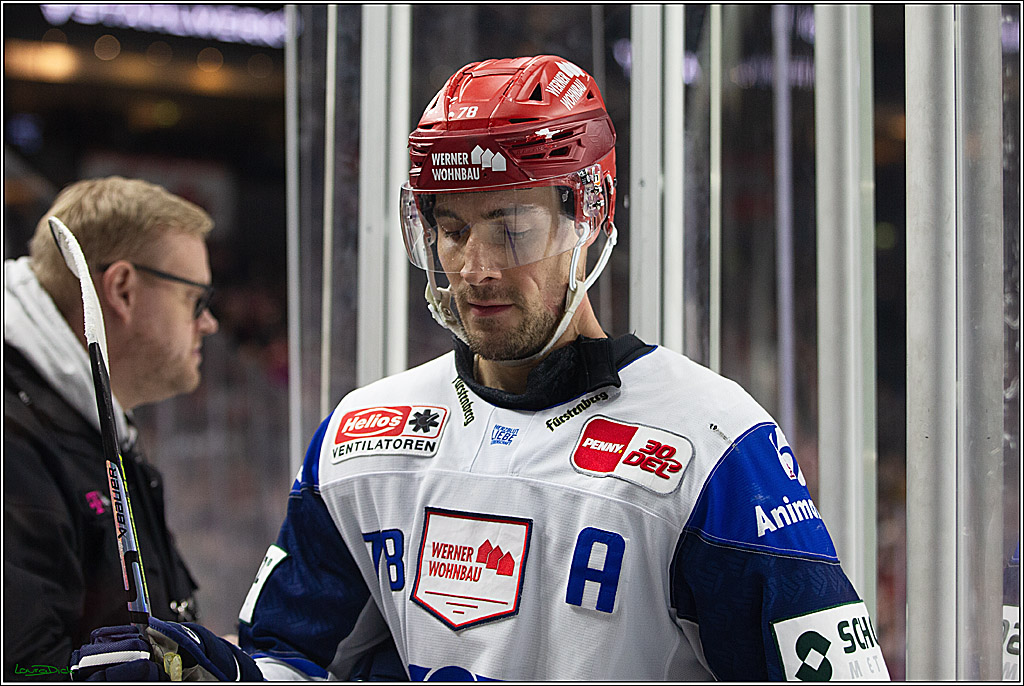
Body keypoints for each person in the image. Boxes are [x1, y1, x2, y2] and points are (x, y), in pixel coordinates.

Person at [70, 56, 890, 681]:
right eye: (451, 229)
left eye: (511, 228)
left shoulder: (713, 442)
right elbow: (295, 659)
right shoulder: (364, 436)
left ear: (590, 214)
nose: (475, 268)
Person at [4, 176, 220, 680]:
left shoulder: (85, 425)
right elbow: (22, 668)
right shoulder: (13, 442)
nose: (208, 324)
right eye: (197, 300)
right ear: (122, 289)